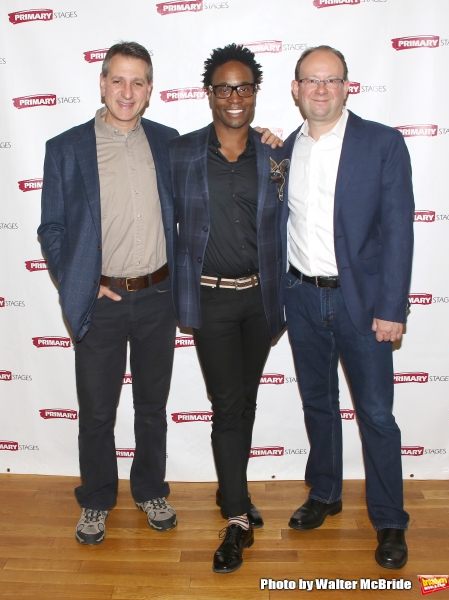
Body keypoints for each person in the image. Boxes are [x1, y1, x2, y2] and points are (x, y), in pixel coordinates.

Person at [38, 41, 281, 546]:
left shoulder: (171, 144)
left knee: (152, 405)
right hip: (101, 302)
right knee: (98, 411)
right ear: (102, 83)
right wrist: (82, 284)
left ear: (151, 90)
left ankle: (150, 489)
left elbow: (225, 150)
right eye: (118, 80)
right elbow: (53, 230)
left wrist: (263, 136)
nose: (128, 92)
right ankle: (98, 500)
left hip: (159, 295)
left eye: (139, 82)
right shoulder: (65, 148)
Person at [283, 45, 414, 569]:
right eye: (311, 81)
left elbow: (398, 232)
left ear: (346, 87)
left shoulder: (381, 143)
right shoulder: (281, 149)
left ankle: (388, 519)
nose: (321, 90)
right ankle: (325, 493)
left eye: (331, 80)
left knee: (377, 415)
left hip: (364, 303)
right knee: (318, 404)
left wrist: (392, 306)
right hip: (301, 297)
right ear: (295, 90)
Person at [169, 44, 288, 573]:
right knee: (226, 406)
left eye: (244, 87)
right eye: (224, 88)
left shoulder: (277, 155)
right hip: (212, 299)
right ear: (209, 94)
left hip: (261, 299)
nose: (234, 97)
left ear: (256, 92)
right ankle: (236, 519)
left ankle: (232, 494)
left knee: (245, 400)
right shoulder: (183, 154)